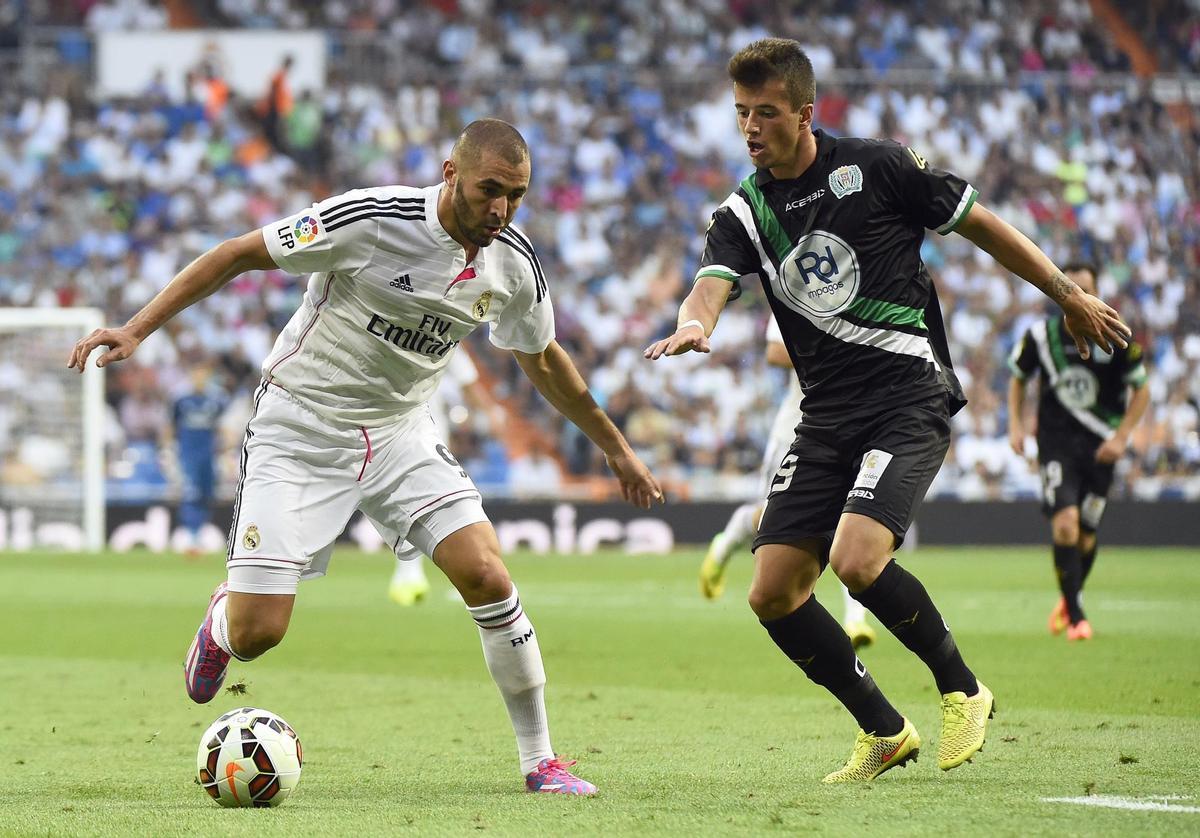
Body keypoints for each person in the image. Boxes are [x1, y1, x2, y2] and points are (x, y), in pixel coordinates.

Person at [69, 118, 663, 797]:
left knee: (488, 574)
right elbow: (238, 252)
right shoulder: (372, 219)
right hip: (300, 427)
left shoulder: (513, 263)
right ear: (450, 173)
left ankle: (541, 762)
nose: (499, 209)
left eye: (516, 196)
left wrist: (615, 448)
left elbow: (542, 357)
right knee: (261, 633)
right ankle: (222, 620)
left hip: (400, 434)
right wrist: (136, 329)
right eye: (488, 189)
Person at [644, 39, 1130, 783]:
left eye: (765, 113)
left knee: (856, 561)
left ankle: (963, 688)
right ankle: (883, 730)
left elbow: (982, 224)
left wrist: (1067, 295)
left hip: (907, 394)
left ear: (805, 114)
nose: (749, 127)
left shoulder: (879, 167)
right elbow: (710, 283)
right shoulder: (743, 210)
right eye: (740, 113)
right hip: (825, 415)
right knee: (772, 591)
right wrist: (697, 323)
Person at [700, 314, 875, 650]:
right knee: (768, 519)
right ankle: (727, 542)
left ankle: (855, 619)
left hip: (852, 431)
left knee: (847, 519)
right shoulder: (797, 286)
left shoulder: (867, 292)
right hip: (797, 428)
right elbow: (776, 353)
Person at [1007, 262, 1149, 641]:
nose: (1080, 297)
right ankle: (1077, 618)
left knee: (1086, 535)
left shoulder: (1116, 334)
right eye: (1073, 290)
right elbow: (1018, 378)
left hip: (1102, 447)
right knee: (1066, 524)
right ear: (1060, 293)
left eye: (1087, 290)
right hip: (1056, 446)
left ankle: (1069, 600)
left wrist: (1121, 438)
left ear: (1098, 291)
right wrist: (1016, 425)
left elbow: (1143, 390)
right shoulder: (1040, 336)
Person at [388, 347, 497, 606]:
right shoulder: (445, 335)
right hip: (424, 437)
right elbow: (469, 384)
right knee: (441, 507)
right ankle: (413, 575)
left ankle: (410, 575)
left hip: (399, 433)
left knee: (409, 506)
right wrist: (491, 413)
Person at [165, 359, 230, 556]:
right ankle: (191, 538)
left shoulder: (218, 398)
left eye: (203, 374)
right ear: (191, 375)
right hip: (187, 454)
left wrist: (225, 448)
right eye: (196, 374)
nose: (200, 378)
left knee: (207, 495)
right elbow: (170, 425)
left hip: (209, 455)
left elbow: (223, 426)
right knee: (191, 494)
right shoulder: (179, 398)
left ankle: (199, 535)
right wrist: (168, 449)